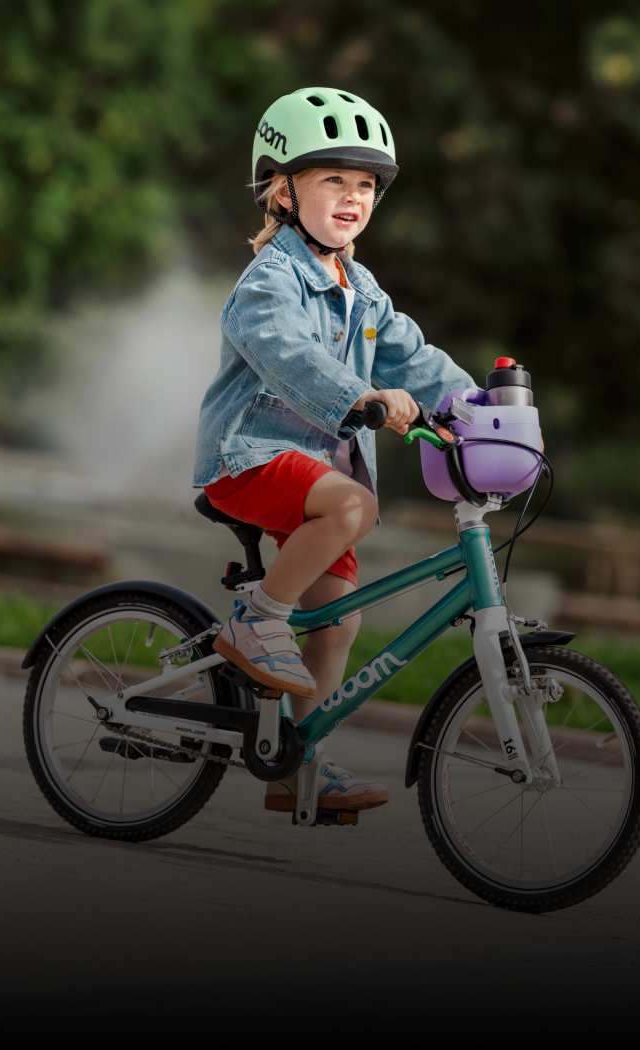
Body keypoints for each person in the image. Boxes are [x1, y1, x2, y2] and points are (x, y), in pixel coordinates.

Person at [193, 87, 474, 813]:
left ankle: (295, 764)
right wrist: (360, 397)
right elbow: (283, 352)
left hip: (315, 477)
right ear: (282, 190)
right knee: (356, 505)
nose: (354, 197)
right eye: (334, 180)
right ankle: (257, 622)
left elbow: (415, 359)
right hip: (252, 457)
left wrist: (483, 409)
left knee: (339, 622)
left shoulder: (363, 289)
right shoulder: (271, 280)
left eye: (366, 185)